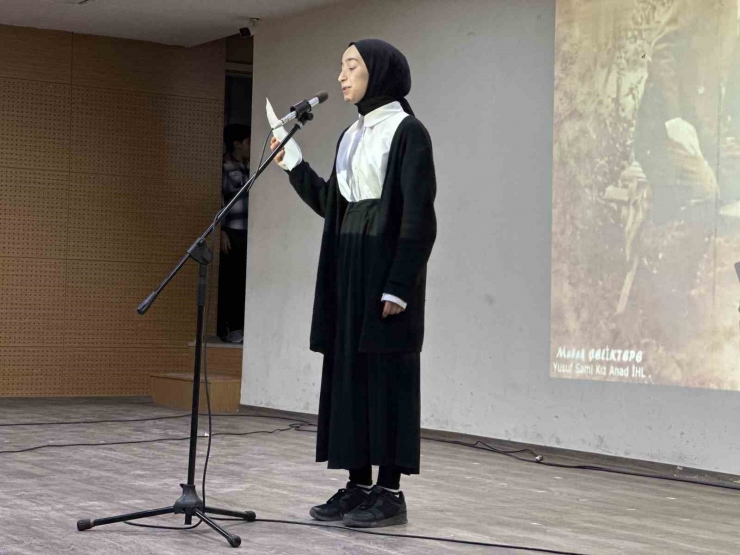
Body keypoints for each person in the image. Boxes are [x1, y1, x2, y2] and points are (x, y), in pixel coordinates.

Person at [270, 39, 437, 528]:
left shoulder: (409, 132)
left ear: (380, 72)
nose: (342, 76)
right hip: (347, 265)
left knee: (386, 378)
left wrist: (399, 285)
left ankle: (390, 492)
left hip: (383, 269)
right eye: (341, 67)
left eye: (352, 66)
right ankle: (357, 483)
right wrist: (293, 163)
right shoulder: (350, 135)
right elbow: (332, 204)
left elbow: (419, 216)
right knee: (349, 376)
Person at [629, 0, 738, 351]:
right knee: (705, 193)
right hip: (663, 130)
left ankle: (676, 288)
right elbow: (662, 50)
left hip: (702, 136)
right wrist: (673, 117)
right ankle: (667, 303)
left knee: (729, 182)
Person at [218, 124, 251, 344]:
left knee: (244, 281)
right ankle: (229, 328)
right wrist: (220, 231)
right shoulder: (223, 165)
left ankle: (242, 325)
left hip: (252, 231)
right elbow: (217, 197)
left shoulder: (251, 164)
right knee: (231, 282)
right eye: (248, 142)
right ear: (237, 143)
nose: (251, 145)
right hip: (232, 231)